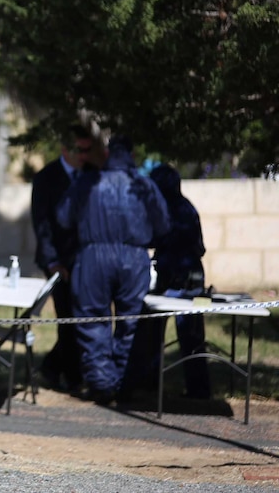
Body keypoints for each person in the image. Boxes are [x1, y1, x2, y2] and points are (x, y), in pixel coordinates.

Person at [56, 135, 169, 405]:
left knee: (92, 321)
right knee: (132, 322)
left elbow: (63, 217)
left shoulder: (88, 182)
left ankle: (103, 385)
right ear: (131, 154)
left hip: (93, 256)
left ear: (107, 153)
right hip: (134, 258)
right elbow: (163, 224)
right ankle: (123, 383)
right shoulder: (145, 184)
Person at [31, 124, 94, 392]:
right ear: (65, 150)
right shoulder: (47, 178)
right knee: (67, 316)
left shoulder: (91, 175)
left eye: (88, 150)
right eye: (80, 150)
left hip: (88, 261)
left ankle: (53, 367)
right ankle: (72, 376)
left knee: (82, 318)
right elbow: (41, 223)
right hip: (59, 261)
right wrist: (54, 262)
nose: (84, 155)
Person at [149, 163, 212, 399]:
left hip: (172, 279)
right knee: (194, 336)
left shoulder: (163, 210)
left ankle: (150, 384)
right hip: (194, 277)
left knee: (154, 332)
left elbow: (153, 239)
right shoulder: (188, 207)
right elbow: (200, 248)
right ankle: (199, 389)